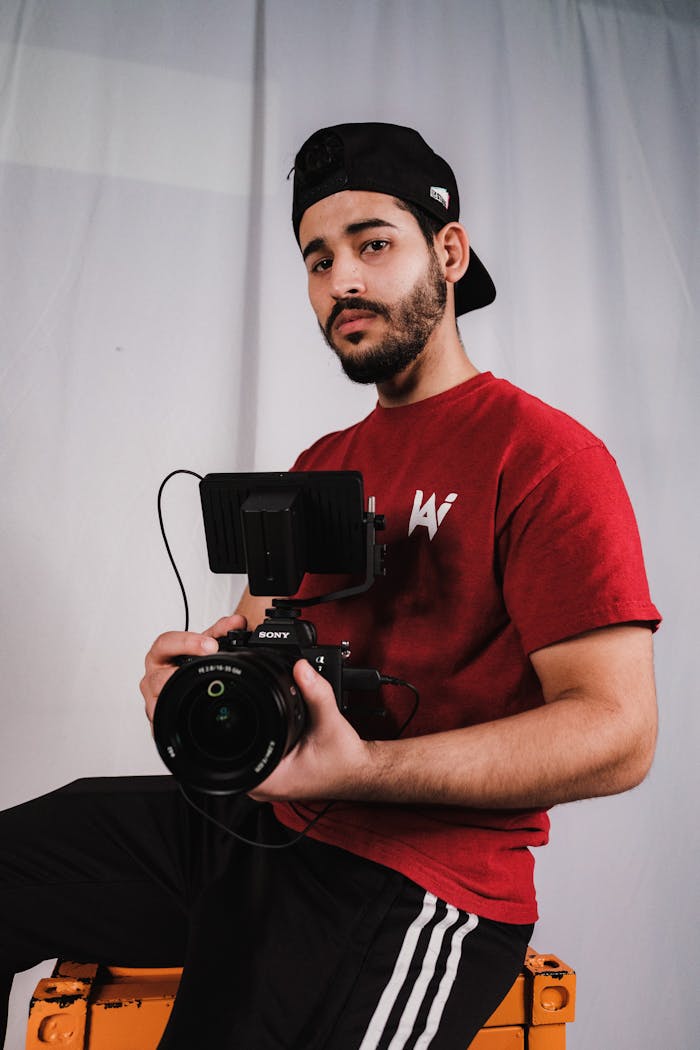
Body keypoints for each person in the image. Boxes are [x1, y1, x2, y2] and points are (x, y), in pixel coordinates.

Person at [1, 123, 660, 1050]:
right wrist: (195, 677)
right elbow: (260, 637)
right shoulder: (325, 463)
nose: (341, 279)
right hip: (263, 827)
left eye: (373, 244)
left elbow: (619, 734)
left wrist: (370, 771)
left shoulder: (546, 458)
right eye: (318, 259)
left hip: (419, 879)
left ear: (449, 251)